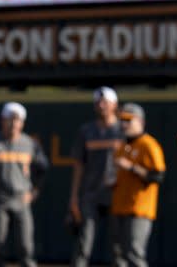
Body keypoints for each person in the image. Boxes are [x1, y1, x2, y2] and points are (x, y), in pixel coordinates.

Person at [0, 102, 48, 267]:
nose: (13, 123)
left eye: (17, 120)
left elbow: (42, 169)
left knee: (26, 246)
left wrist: (34, 192)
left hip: (21, 198)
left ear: (22, 122)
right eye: (10, 119)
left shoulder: (30, 144)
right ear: (2, 120)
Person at [68, 87, 124, 267]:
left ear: (114, 105)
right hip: (90, 194)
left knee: (118, 246)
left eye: (105, 102)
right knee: (84, 243)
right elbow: (78, 166)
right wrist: (74, 198)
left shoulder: (123, 129)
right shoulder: (86, 131)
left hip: (117, 194)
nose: (101, 106)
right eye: (98, 102)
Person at [109, 103, 165, 267]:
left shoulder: (148, 144)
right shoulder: (122, 146)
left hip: (139, 209)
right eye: (122, 120)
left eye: (128, 120)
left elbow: (158, 176)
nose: (124, 124)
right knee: (118, 256)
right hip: (119, 206)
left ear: (140, 122)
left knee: (134, 254)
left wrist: (132, 167)